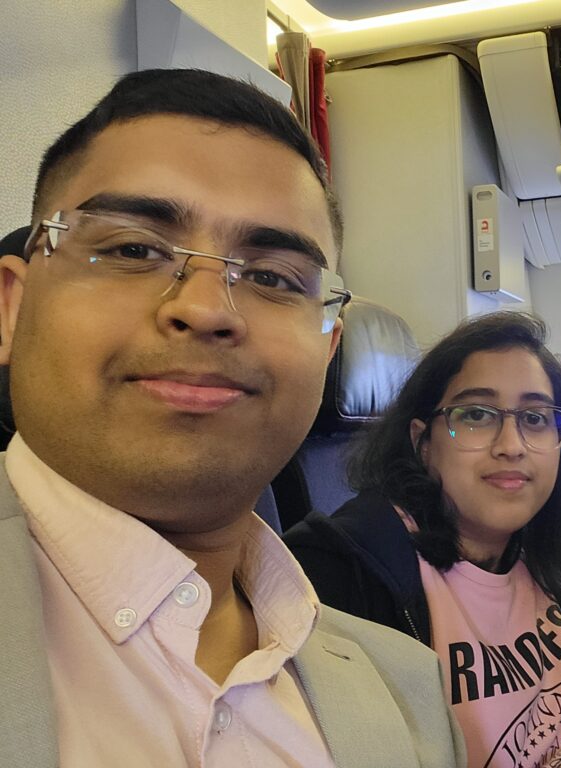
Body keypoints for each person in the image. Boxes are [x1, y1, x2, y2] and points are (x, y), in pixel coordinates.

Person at [0, 68, 463, 767]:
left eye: (274, 278)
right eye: (133, 250)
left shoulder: (409, 689)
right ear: (12, 306)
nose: (210, 308)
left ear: (326, 346)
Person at [285, 313, 561, 768]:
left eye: (535, 418)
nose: (512, 445)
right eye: (477, 414)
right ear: (424, 441)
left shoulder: (549, 548)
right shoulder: (345, 575)